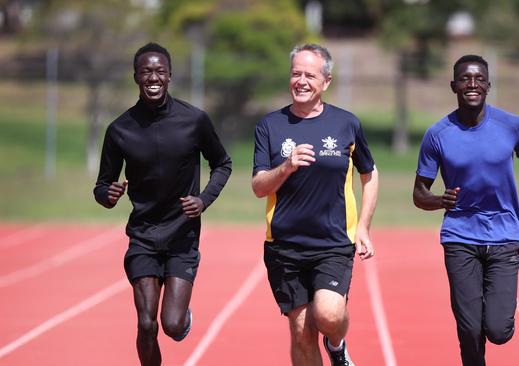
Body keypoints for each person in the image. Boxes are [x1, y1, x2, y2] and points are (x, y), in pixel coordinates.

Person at [93, 42, 232, 366]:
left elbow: (222, 163)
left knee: (170, 325)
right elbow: (101, 185)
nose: (152, 77)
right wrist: (107, 195)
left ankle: (183, 317)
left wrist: (203, 200)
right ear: (136, 77)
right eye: (146, 72)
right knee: (146, 323)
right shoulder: (119, 130)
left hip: (182, 236)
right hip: (142, 235)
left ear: (169, 76)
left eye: (159, 71)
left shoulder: (194, 120)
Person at [413, 54, 519, 366]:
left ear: (489, 85)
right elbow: (419, 193)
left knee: (498, 330)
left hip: (504, 236)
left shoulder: (512, 126)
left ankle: (493, 311)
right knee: (469, 328)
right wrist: (439, 201)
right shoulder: (438, 134)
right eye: (464, 79)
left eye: (478, 79)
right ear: (453, 86)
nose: (471, 84)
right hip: (460, 236)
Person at [252, 43, 379, 366]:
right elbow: (257, 186)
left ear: (326, 81)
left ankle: (336, 346)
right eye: (296, 73)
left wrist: (363, 226)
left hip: (333, 243)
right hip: (285, 247)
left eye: (310, 74)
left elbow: (369, 173)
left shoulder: (346, 123)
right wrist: (286, 166)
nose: (301, 81)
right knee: (301, 333)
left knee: (329, 314)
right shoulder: (270, 126)